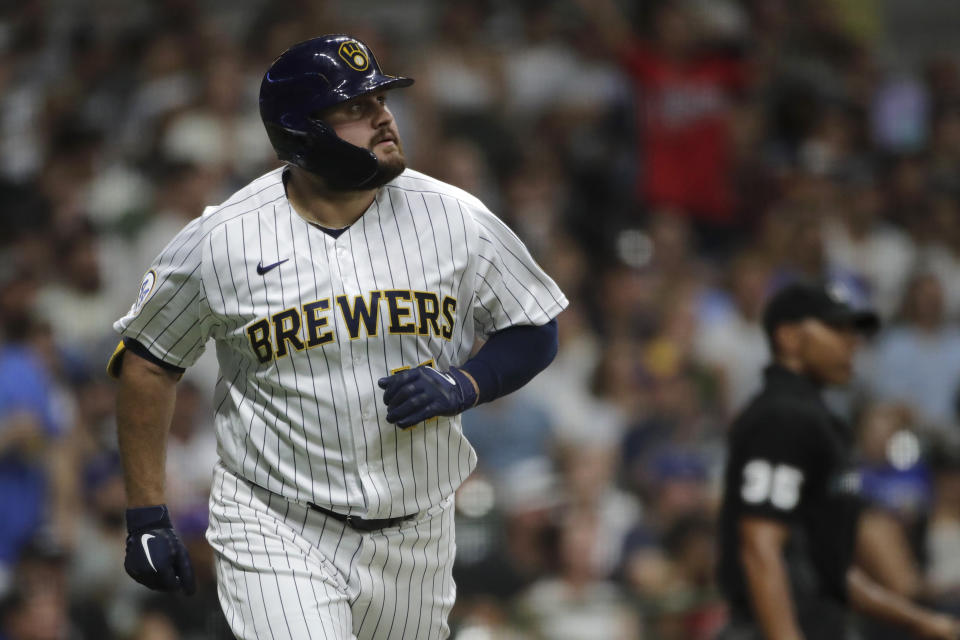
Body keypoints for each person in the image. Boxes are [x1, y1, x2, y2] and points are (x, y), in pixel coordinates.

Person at [107, 34, 567, 640]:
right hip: (276, 522)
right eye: (355, 107)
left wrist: (466, 382)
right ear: (301, 131)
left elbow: (534, 325)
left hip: (417, 530)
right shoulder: (223, 239)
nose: (382, 117)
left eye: (380, 99)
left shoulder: (456, 218)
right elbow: (147, 361)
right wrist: (145, 511)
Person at [716, 281, 960, 640]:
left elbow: (829, 569)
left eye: (853, 332)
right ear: (789, 337)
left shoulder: (819, 421)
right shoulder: (782, 417)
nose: (852, 343)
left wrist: (919, 622)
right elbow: (760, 547)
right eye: (835, 329)